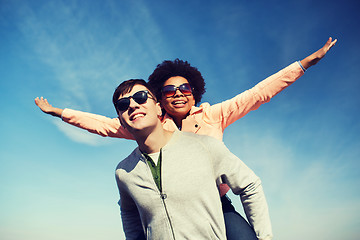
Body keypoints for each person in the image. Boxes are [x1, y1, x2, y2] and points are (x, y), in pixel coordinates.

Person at [35, 37, 337, 239]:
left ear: (195, 92)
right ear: (158, 99)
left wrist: (305, 63)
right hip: (172, 214)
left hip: (218, 206)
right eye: (168, 91)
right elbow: (103, 124)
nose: (178, 94)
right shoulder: (149, 125)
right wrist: (60, 112)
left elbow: (258, 93)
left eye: (185, 88)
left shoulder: (214, 115)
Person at [113, 79, 272, 239]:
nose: (132, 105)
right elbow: (129, 213)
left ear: (158, 108)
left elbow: (250, 185)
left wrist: (264, 237)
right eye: (123, 104)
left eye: (141, 97)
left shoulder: (205, 146)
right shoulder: (124, 172)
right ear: (121, 120)